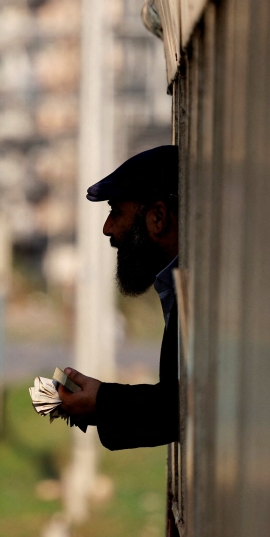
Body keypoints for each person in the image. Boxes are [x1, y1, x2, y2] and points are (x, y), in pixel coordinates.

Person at [58, 145, 180, 450]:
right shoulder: (176, 285)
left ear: (158, 217)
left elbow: (185, 407)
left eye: (115, 211)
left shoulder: (194, 294)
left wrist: (102, 401)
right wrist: (101, 401)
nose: (107, 228)